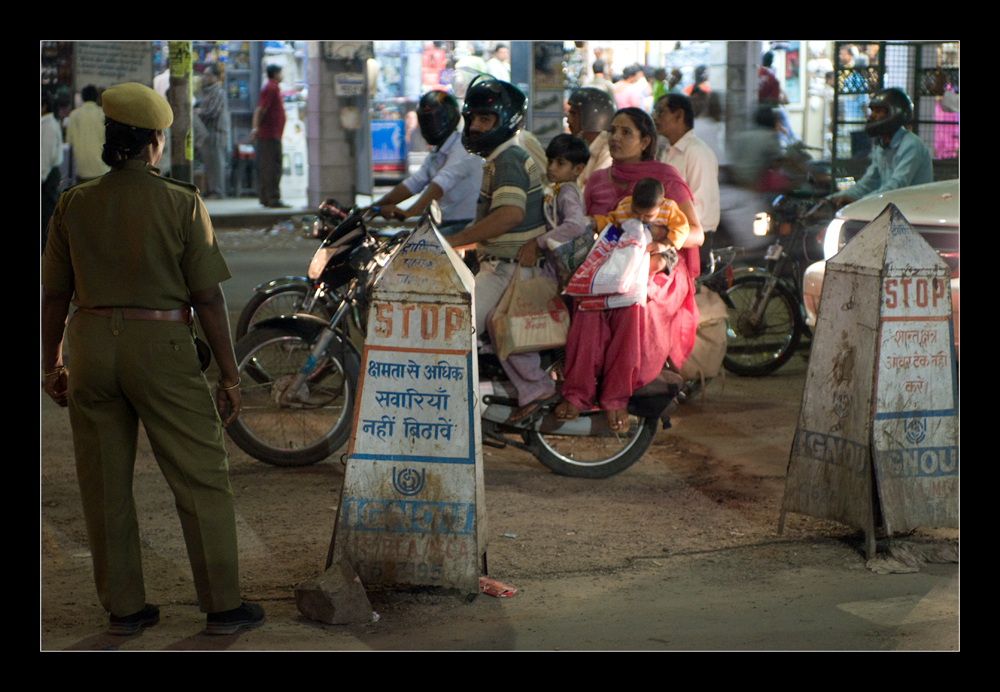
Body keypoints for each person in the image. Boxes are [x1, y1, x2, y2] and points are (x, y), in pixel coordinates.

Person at [41, 82, 264, 636]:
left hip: (90, 345)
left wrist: (52, 364)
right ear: (154, 144)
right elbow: (208, 297)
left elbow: (53, 296)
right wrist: (231, 375)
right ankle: (222, 605)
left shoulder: (73, 203)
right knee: (200, 475)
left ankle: (124, 608)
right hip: (161, 348)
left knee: (104, 483)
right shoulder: (180, 202)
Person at [561, 108, 703, 431]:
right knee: (587, 304)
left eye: (626, 132)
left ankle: (616, 396)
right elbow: (589, 228)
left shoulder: (663, 178)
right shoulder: (597, 180)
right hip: (608, 267)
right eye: (612, 131)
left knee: (631, 304)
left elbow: (696, 232)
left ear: (645, 142)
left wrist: (657, 238)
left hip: (655, 266)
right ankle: (576, 391)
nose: (615, 138)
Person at [445, 76, 555, 422]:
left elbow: (510, 215)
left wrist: (451, 241)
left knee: (456, 328)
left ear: (506, 121)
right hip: (501, 264)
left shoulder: (508, 159)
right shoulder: (498, 158)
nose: (476, 126)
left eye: (485, 120)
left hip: (510, 269)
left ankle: (532, 391)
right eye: (472, 119)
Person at [375, 90, 483, 236]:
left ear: (450, 118)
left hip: (467, 224)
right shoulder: (438, 150)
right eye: (425, 121)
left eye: (434, 120)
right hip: (446, 222)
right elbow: (415, 182)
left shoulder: (462, 147)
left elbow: (441, 183)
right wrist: (373, 208)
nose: (430, 126)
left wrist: (410, 212)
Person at [828, 88, 933, 209]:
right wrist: (832, 199)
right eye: (872, 111)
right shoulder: (883, 145)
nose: (872, 116)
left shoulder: (911, 145)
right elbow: (868, 183)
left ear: (894, 114)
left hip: (914, 212)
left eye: (878, 111)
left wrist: (858, 203)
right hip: (892, 209)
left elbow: (896, 187)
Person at [653, 92, 721, 269]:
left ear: (679, 115)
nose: (655, 117)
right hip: (672, 236)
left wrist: (666, 232)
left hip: (691, 240)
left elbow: (700, 209)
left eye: (661, 112)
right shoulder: (668, 151)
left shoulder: (696, 153)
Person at [516, 133, 590, 269]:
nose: (551, 168)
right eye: (550, 161)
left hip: (561, 265)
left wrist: (538, 243)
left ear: (578, 169)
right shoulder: (557, 189)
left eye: (560, 163)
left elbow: (576, 225)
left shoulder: (567, 191)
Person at [251, 64, 288, 208]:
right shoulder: (271, 88)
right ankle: (272, 198)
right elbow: (260, 109)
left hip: (272, 134)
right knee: (272, 167)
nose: (282, 75)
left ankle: (267, 198)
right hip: (269, 135)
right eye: (280, 73)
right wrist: (255, 129)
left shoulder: (272, 88)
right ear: (275, 74)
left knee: (268, 167)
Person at [566, 87, 615, 189]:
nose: (568, 120)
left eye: (574, 114)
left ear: (591, 117)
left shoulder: (607, 151)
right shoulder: (583, 145)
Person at [196, 64, 230, 198]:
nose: (205, 78)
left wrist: (198, 112)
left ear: (216, 77)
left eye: (208, 75)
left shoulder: (218, 92)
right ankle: (211, 190)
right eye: (204, 75)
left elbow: (213, 112)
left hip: (216, 134)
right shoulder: (208, 91)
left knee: (216, 165)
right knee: (210, 165)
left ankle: (217, 192)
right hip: (207, 135)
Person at [66, 85, 110, 184]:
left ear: (82, 97)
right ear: (96, 97)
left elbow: (70, 141)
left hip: (82, 171)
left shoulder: (74, 115)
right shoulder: (103, 114)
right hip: (102, 170)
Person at [41, 90, 63, 250]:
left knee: (45, 214)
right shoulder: (46, 124)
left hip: (47, 176)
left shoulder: (49, 126)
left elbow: (45, 156)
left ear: (44, 107)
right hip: (46, 175)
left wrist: (41, 177)